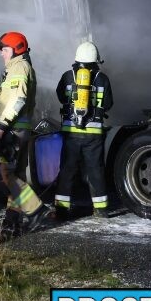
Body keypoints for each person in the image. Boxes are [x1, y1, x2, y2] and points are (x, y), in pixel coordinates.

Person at [0, 31, 53, 236]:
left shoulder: (19, 67)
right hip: (17, 130)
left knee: (5, 174)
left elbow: (18, 100)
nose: (2, 54)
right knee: (14, 175)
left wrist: (1, 128)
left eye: (5, 50)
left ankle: (36, 210)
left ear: (17, 50)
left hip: (12, 130)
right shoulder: (17, 68)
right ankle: (12, 219)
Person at [54, 41, 114, 220]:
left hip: (71, 132)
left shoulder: (67, 76)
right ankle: (101, 210)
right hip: (93, 135)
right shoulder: (102, 79)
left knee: (67, 170)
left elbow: (59, 96)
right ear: (96, 59)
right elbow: (109, 104)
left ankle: (62, 211)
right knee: (95, 171)